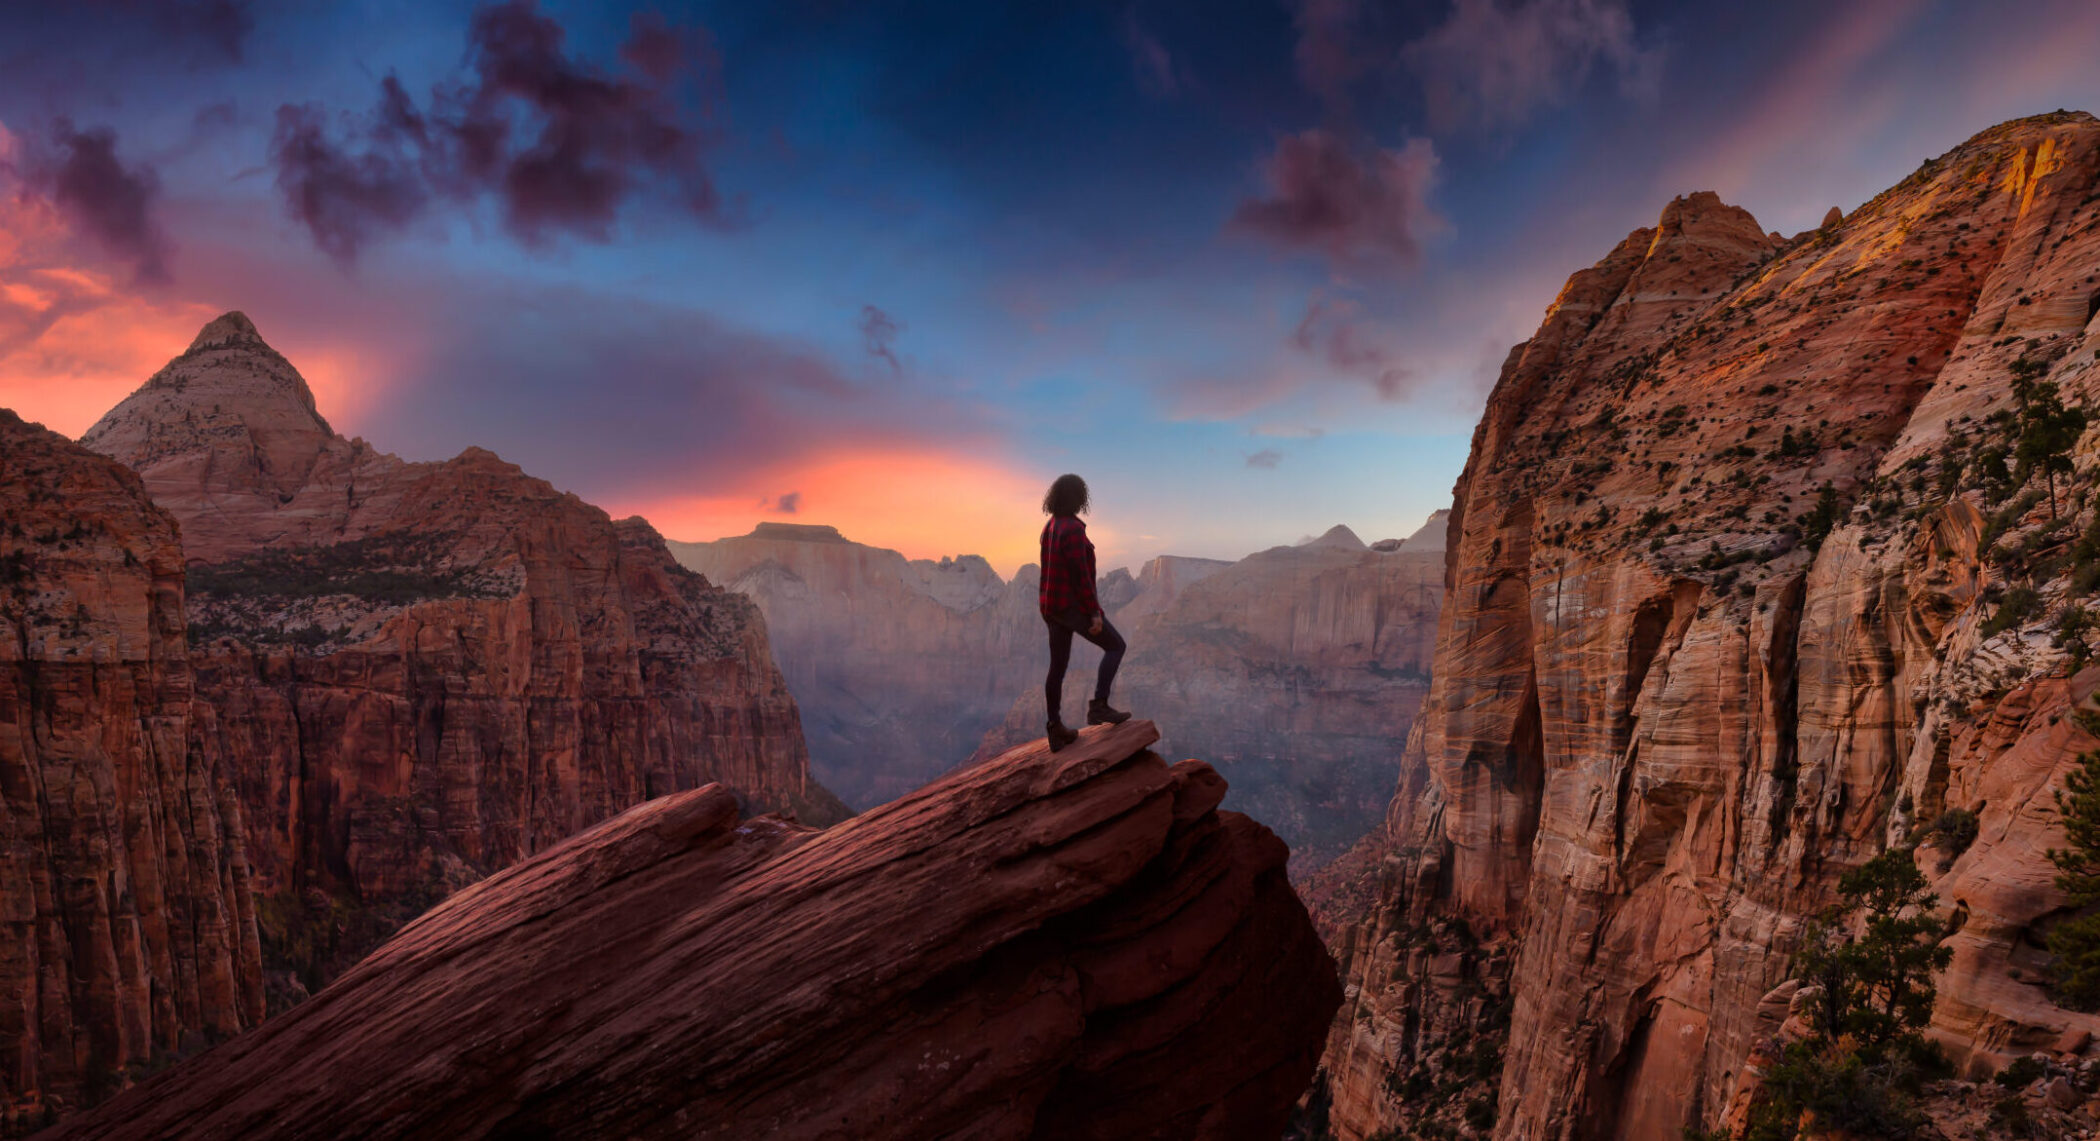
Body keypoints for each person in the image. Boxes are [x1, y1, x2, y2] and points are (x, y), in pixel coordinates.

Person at [1038, 473, 1130, 751]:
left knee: (1057, 668)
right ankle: (1098, 706)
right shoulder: (1074, 530)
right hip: (1070, 607)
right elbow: (1081, 577)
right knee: (1116, 646)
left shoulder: (1049, 526)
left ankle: (1055, 728)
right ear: (1078, 498)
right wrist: (1094, 613)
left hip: (1051, 607)